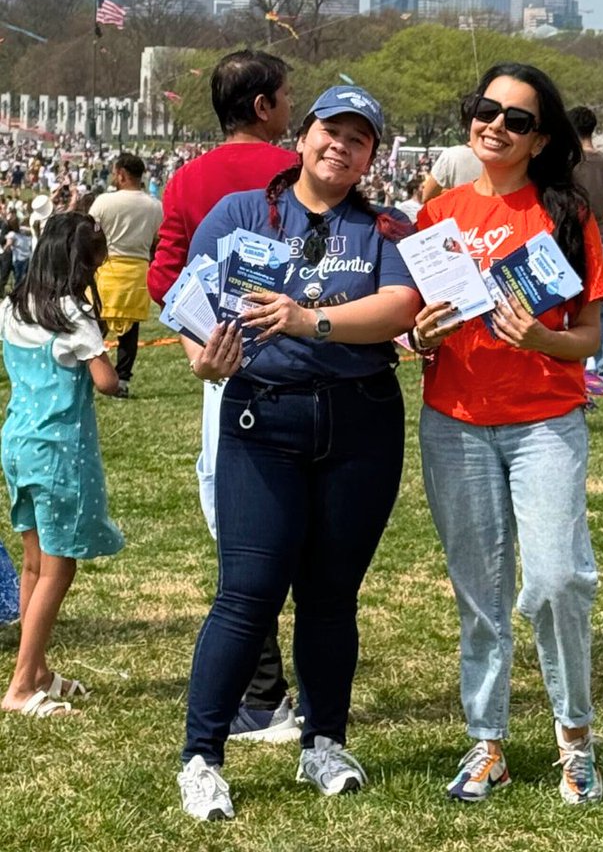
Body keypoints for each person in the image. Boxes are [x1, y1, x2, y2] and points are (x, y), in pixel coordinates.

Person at [176, 85, 420, 822]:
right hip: (262, 417)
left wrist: (309, 320)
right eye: (329, 131)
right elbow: (195, 299)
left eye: (359, 138)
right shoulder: (242, 212)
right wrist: (202, 359)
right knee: (247, 594)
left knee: (330, 597)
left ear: (373, 154)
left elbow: (401, 307)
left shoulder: (384, 226)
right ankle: (202, 756)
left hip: (360, 422)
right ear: (303, 135)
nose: (340, 146)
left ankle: (324, 740)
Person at [413, 63, 603, 806]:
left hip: (545, 422)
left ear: (541, 138)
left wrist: (538, 339)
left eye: (515, 118)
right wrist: (421, 339)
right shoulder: (438, 215)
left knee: (558, 580)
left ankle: (575, 740)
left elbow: (588, 336)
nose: (493, 124)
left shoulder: (566, 213)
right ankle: (486, 741)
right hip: (455, 424)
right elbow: (417, 325)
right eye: (483, 109)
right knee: (479, 592)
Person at [147, 50, 299, 742]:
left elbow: (164, 281)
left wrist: (201, 343)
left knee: (237, 521)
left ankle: (265, 688)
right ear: (263, 105)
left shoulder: (188, 180)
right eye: (287, 96)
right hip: (309, 364)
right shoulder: (298, 172)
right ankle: (277, 690)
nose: (292, 105)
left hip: (228, 366)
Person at [0, 214, 123, 718]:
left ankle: (39, 670)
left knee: (34, 559)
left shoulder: (12, 304)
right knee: (59, 564)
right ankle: (21, 684)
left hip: (17, 440)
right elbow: (106, 381)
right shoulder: (73, 313)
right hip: (59, 448)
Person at [89, 154, 162, 399]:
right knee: (130, 333)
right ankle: (122, 380)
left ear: (121, 174)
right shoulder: (155, 206)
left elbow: (90, 234)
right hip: (137, 272)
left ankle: (89, 372)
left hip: (108, 270)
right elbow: (156, 240)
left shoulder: (103, 202)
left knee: (95, 328)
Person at [569, 105, 603, 378]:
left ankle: (577, 358)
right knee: (602, 300)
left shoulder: (569, 161)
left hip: (572, 234)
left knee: (570, 297)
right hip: (601, 234)